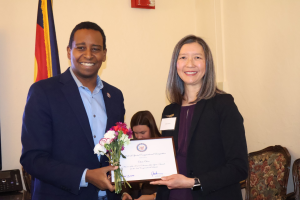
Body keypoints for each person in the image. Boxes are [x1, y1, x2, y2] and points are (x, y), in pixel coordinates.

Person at [20, 22, 125, 200]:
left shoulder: (114, 95)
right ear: (69, 51)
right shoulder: (43, 92)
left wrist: (124, 188)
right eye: (81, 48)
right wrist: (86, 176)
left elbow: (117, 152)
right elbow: (33, 159)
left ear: (104, 54)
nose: (89, 55)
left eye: (96, 49)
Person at [150, 35, 248, 200]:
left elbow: (239, 167)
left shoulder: (223, 105)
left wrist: (192, 182)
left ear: (207, 64)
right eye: (183, 58)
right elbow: (165, 159)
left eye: (197, 57)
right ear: (176, 64)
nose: (190, 64)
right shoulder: (169, 110)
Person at [121, 111, 160, 200]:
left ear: (152, 128)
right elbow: (125, 176)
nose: (138, 137)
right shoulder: (129, 147)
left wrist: (153, 197)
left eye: (143, 133)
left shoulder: (164, 147)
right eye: (135, 133)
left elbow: (171, 182)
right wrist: (125, 192)